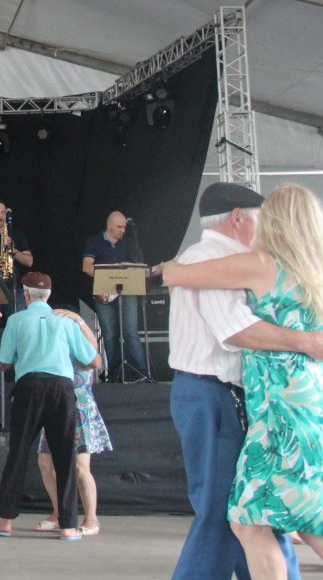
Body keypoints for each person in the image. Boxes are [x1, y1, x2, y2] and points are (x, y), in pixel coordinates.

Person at [162, 182, 323, 579]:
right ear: (238, 217)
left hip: (270, 403)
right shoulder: (218, 258)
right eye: (257, 218)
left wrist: (167, 269)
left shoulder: (254, 264)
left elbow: (176, 276)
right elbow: (236, 330)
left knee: (253, 512)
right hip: (225, 395)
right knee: (250, 511)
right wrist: (306, 341)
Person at [0, 272, 101, 541]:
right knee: (65, 456)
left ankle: (5, 522)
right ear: (49, 295)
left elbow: (4, 361)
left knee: (18, 453)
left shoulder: (16, 320)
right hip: (62, 388)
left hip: (29, 387)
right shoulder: (64, 322)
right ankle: (68, 526)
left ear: (26, 295)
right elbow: (93, 361)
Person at [33, 306, 112, 536]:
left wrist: (79, 320)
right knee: (45, 462)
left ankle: (91, 519)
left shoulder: (79, 343)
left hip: (78, 406)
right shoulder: (52, 345)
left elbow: (94, 354)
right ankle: (59, 513)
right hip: (55, 404)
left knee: (80, 466)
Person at [82, 211, 148, 382]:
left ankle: (142, 374)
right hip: (103, 292)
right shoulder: (94, 241)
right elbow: (87, 266)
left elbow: (139, 267)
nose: (123, 230)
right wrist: (109, 275)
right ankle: (114, 375)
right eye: (119, 227)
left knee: (131, 332)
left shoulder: (130, 244)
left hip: (127, 292)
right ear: (109, 225)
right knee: (110, 335)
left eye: (124, 227)